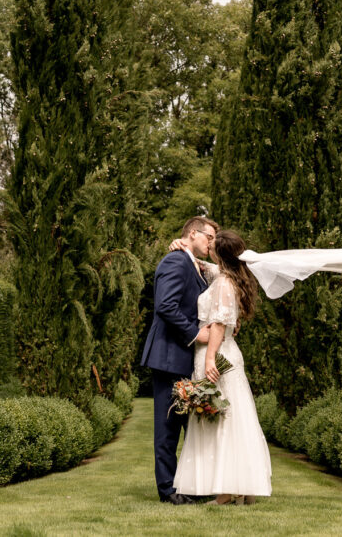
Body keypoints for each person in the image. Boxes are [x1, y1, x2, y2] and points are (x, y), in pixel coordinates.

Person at [173, 229, 272, 505]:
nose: (209, 245)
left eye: (213, 243)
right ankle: (245, 489)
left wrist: (209, 359)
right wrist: (183, 247)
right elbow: (203, 265)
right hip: (225, 353)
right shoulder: (226, 276)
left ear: (221, 252)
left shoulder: (225, 283)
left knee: (223, 420)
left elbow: (218, 323)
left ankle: (228, 492)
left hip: (217, 354)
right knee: (233, 417)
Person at [140, 216, 217, 505]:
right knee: (168, 428)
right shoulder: (175, 261)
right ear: (192, 234)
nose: (211, 243)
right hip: (169, 356)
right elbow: (166, 306)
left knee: (187, 427)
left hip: (184, 359)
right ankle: (168, 491)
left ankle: (187, 485)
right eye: (208, 237)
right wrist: (196, 334)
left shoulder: (193, 264)